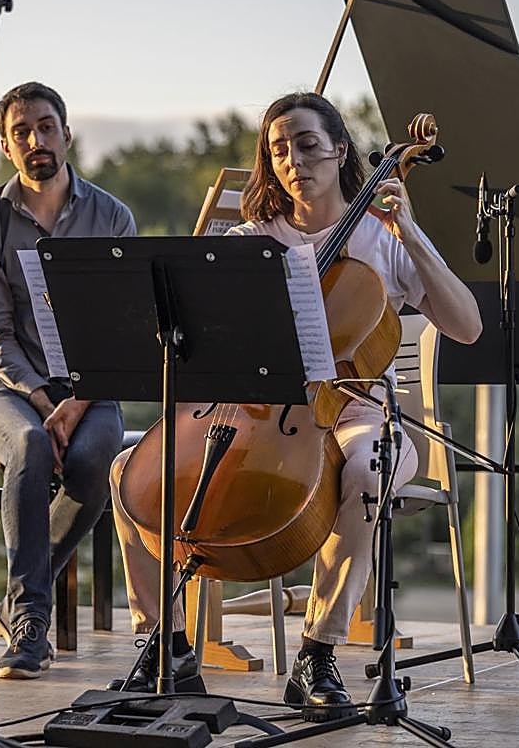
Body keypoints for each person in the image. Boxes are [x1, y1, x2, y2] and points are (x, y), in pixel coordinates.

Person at [108, 92, 481, 718]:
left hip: (358, 414)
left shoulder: (380, 236)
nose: (293, 161)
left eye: (307, 145)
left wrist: (409, 232)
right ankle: (166, 643)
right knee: (129, 472)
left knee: (369, 472)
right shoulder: (252, 240)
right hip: (255, 411)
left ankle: (318, 650)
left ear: (340, 149)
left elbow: (466, 325)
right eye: (278, 150)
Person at [0, 81, 136, 679]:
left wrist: (76, 401)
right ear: (6, 147)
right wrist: (41, 399)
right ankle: (32, 620)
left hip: (93, 387)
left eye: (46, 126)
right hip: (11, 390)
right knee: (32, 446)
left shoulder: (112, 217)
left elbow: (121, 326)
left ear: (67, 132)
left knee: (95, 461)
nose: (37, 140)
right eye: (21, 132)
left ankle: (16, 600)